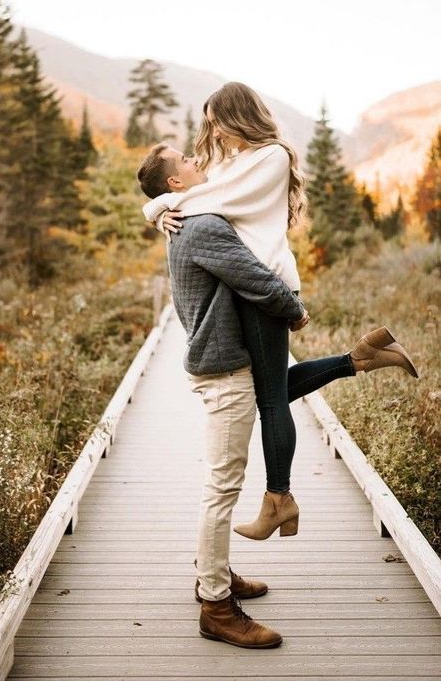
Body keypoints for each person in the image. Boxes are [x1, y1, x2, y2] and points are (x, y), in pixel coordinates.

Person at [140, 82, 419, 542]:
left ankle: (279, 500)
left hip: (265, 285)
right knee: (264, 393)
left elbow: (215, 202)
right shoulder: (230, 159)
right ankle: (361, 358)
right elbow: (193, 188)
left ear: (238, 116)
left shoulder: (272, 157)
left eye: (217, 122)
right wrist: (158, 205)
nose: (211, 132)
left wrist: (159, 206)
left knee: (268, 398)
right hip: (245, 285)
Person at [137, 147, 307, 648]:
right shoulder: (202, 226)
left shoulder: (184, 217)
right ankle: (215, 605)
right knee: (223, 486)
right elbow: (256, 279)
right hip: (225, 368)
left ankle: (215, 572)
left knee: (221, 481)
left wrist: (154, 211)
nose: (197, 159)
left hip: (216, 362)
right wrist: (294, 308)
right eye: (187, 159)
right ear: (175, 181)